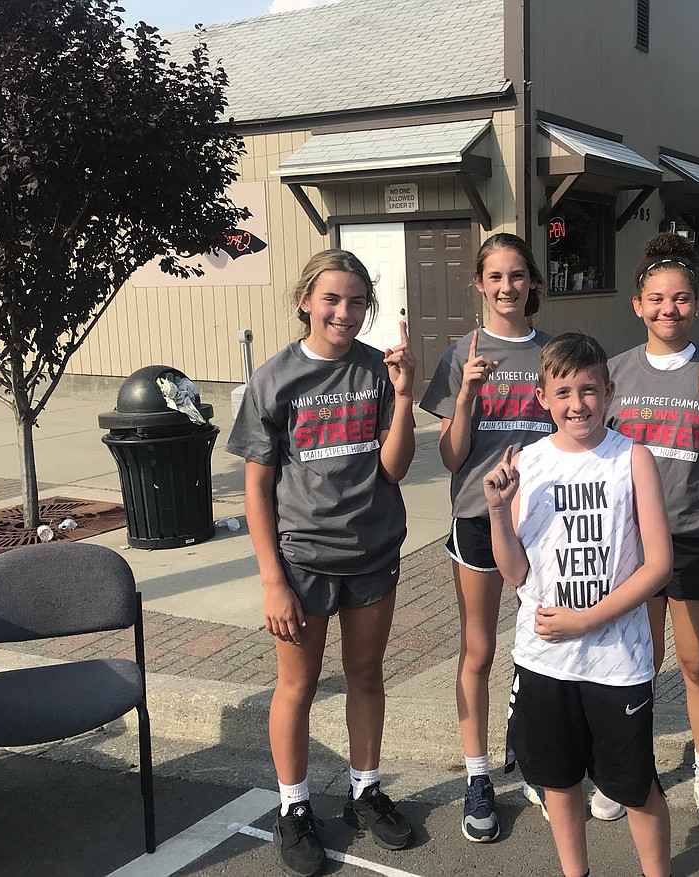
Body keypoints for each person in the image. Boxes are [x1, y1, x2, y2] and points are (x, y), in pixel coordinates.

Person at [227, 249, 418, 877]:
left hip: (372, 553)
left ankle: (364, 792)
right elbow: (256, 489)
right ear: (306, 299)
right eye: (332, 299)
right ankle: (295, 806)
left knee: (366, 674)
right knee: (298, 686)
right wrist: (271, 580)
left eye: (358, 301)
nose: (345, 312)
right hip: (302, 560)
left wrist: (404, 395)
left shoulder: (377, 371)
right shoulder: (275, 379)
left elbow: (392, 468)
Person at [483, 332, 674, 877]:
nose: (577, 404)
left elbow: (658, 564)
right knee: (560, 782)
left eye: (588, 390)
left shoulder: (632, 458)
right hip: (545, 660)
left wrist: (586, 619)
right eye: (563, 391)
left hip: (616, 661)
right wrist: (498, 510)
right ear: (542, 397)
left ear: (609, 391)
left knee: (634, 786)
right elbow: (516, 572)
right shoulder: (529, 464)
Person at [606, 233, 699, 838]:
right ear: (638, 306)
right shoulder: (614, 372)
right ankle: (630, 771)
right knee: (635, 666)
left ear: (696, 304)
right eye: (656, 299)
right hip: (629, 542)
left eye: (681, 298)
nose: (669, 309)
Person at [419, 232, 554, 842]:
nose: (507, 287)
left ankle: (533, 753)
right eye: (496, 277)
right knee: (479, 650)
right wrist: (468, 391)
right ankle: (478, 774)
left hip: (547, 518)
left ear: (532, 282)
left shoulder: (554, 352)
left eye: (518, 275)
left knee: (544, 643)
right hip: (478, 516)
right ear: (479, 284)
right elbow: (451, 457)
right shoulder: (459, 353)